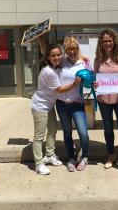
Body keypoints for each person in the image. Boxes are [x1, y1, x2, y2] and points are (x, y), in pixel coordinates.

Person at [31, 38, 81, 175]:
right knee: (39, 136)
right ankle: (38, 163)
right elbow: (60, 90)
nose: (57, 57)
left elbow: (72, 56)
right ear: (48, 57)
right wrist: (75, 84)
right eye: (53, 55)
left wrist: (84, 58)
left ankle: (49, 155)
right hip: (40, 106)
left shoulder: (56, 66)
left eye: (58, 55)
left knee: (52, 130)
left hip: (49, 105)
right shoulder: (49, 72)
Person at [93, 28, 118, 177]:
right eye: (105, 41)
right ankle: (111, 154)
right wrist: (95, 83)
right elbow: (95, 78)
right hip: (104, 99)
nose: (107, 43)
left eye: (110, 40)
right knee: (108, 129)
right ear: (101, 44)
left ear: (114, 41)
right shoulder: (98, 60)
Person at [56, 36, 90, 172]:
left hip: (77, 103)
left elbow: (91, 79)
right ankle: (71, 158)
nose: (71, 51)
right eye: (69, 48)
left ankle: (85, 157)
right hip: (62, 104)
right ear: (65, 50)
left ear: (77, 49)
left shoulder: (85, 63)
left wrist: (94, 83)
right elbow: (46, 53)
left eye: (74, 48)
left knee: (83, 132)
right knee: (67, 132)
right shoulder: (61, 62)